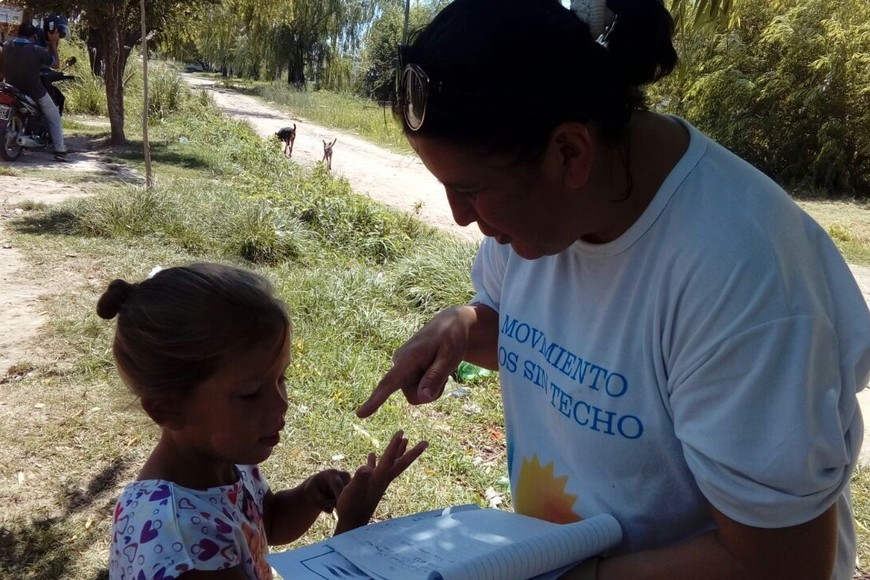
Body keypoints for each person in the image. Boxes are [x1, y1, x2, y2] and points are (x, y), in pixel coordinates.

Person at [356, 0, 870, 578]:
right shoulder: (540, 218)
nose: (458, 217)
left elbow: (782, 564)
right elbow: (544, 337)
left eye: (470, 191)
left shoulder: (742, 281)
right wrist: (466, 325)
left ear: (570, 152)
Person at [100, 263, 427, 579]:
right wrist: (350, 530)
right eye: (250, 394)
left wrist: (309, 495)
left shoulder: (226, 462)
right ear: (167, 408)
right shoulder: (178, 541)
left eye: (281, 379)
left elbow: (266, 522)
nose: (280, 403)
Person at [2, 22, 68, 161]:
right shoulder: (36, 50)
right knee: (53, 114)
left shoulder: (7, 46)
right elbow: (55, 64)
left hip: (10, 87)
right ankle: (60, 150)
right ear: (33, 36)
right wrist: (53, 43)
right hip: (34, 90)